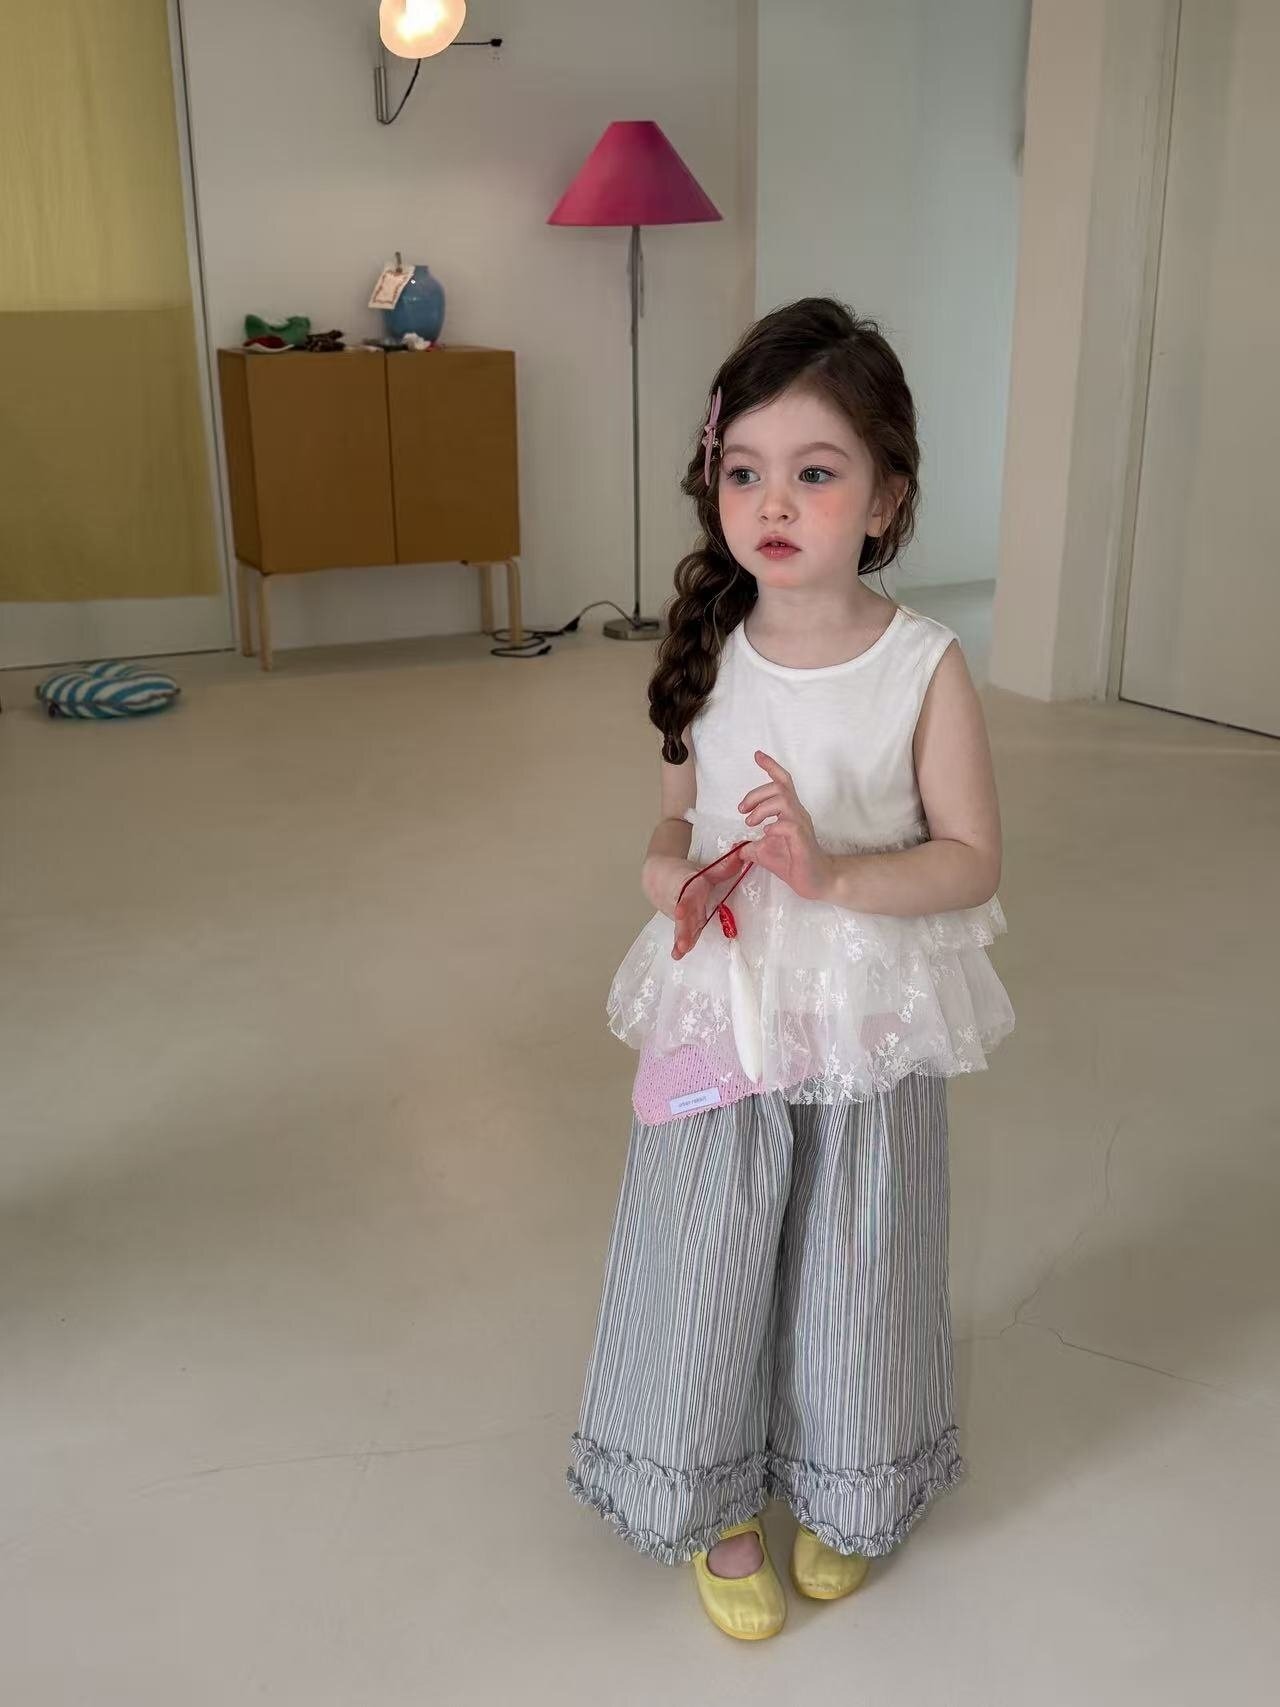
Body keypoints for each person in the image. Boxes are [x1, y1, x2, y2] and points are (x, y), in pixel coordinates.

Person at [567, 297, 1014, 1641]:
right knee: (706, 1248)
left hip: (865, 1009)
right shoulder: (707, 649)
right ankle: (711, 1499)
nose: (772, 503)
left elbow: (971, 861)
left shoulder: (922, 666)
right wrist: (667, 877)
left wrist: (834, 878)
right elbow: (672, 824)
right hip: (727, 1000)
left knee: (856, 1254)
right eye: (744, 471)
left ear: (886, 499)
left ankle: (843, 1481)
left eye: (815, 472)